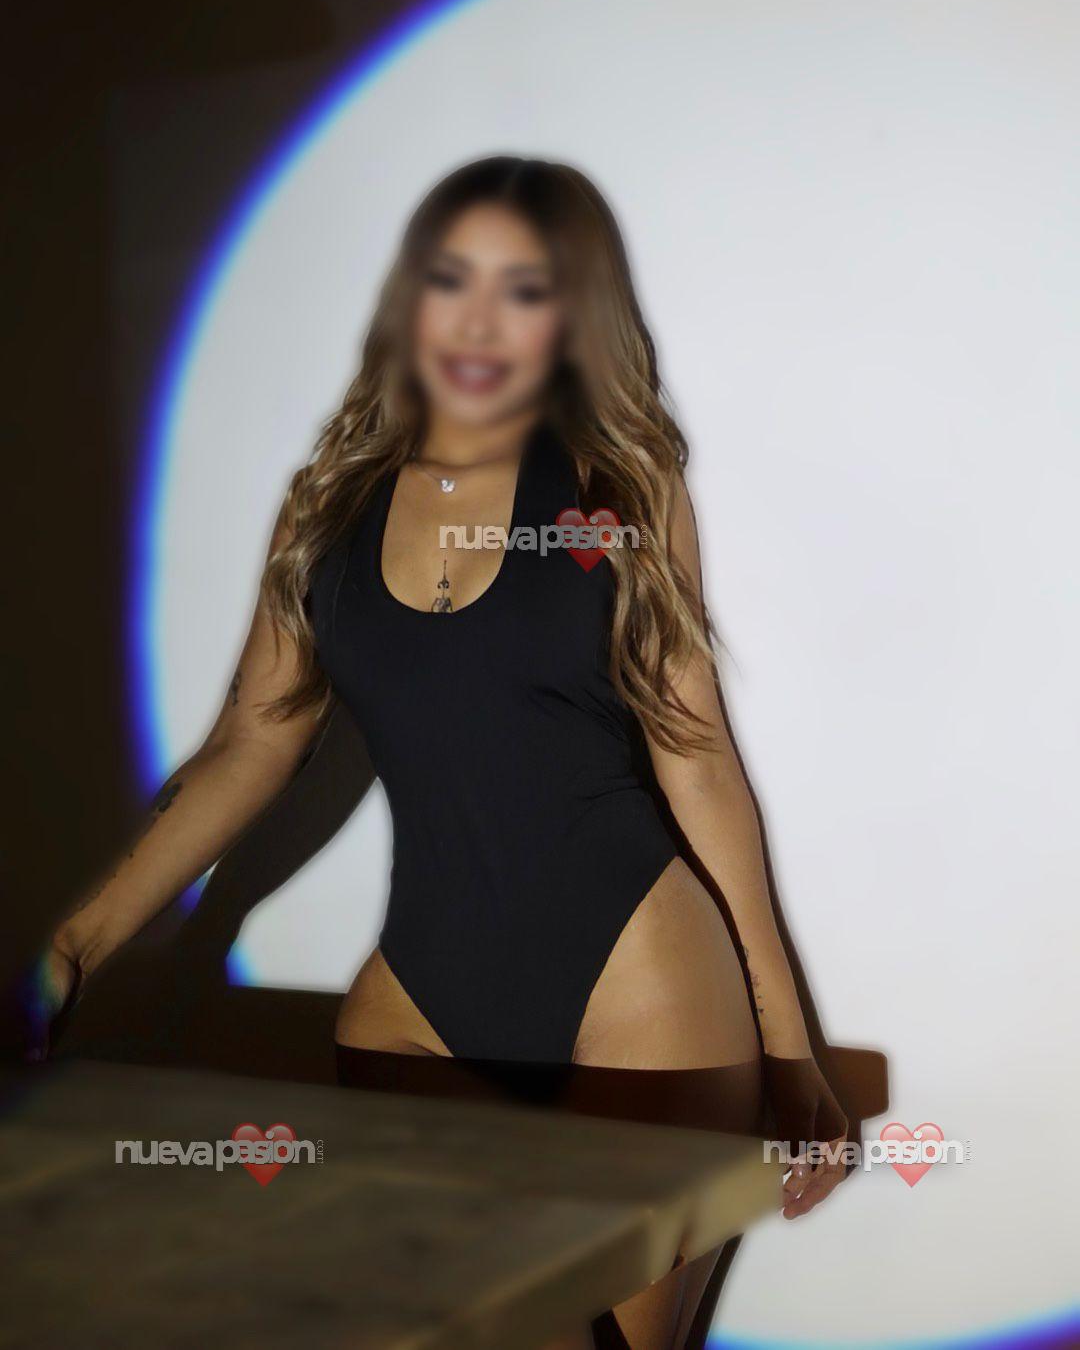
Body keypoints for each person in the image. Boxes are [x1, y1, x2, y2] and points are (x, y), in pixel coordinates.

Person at [37, 156, 847, 1350]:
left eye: (524, 287)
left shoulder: (620, 486)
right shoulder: (327, 507)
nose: (478, 317)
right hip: (415, 1008)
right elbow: (250, 741)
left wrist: (788, 1047)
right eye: (452, 278)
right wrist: (70, 949)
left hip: (641, 987)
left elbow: (697, 757)